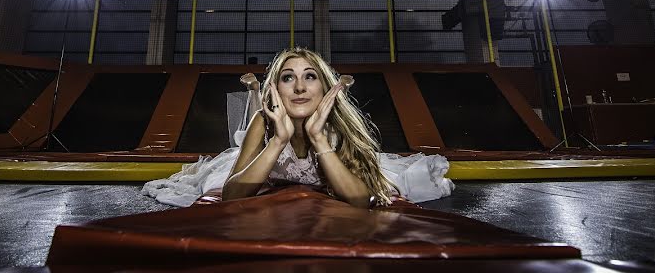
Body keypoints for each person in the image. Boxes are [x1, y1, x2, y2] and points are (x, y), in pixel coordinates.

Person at [142, 48, 454, 208]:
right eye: (288, 77)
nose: (300, 87)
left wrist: (319, 138)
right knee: (232, 166)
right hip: (264, 155)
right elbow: (233, 195)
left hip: (332, 153)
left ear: (323, 86)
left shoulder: (335, 125)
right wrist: (278, 141)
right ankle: (255, 88)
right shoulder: (262, 122)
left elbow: (361, 200)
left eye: (310, 76)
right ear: (276, 87)